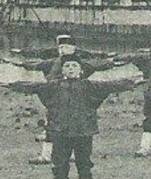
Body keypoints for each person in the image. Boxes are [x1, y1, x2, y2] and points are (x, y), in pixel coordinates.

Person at [5, 61, 140, 179]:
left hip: (83, 132)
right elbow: (34, 86)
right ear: (62, 70)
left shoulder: (88, 86)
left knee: (84, 163)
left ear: (81, 70)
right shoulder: (54, 86)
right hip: (61, 133)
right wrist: (12, 85)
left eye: (74, 66)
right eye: (67, 66)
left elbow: (110, 85)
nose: (70, 69)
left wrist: (131, 82)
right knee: (59, 166)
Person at [13, 35, 113, 164]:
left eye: (66, 47)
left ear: (73, 48)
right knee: (52, 125)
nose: (62, 50)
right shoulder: (53, 61)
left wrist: (111, 60)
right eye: (60, 47)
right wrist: (21, 57)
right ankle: (46, 156)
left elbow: (97, 62)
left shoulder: (81, 62)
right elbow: (37, 58)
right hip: (56, 98)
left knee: (76, 126)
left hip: (77, 99)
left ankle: (72, 153)